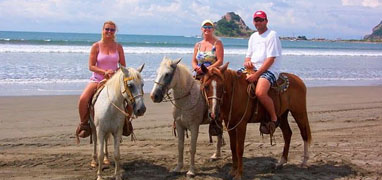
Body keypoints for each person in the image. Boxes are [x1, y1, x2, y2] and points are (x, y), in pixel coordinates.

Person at [76, 21, 127, 139]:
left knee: (129, 99)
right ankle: (84, 125)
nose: (109, 32)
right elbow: (91, 66)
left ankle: (126, 124)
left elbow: (123, 66)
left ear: (115, 32)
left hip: (114, 81)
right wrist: (104, 72)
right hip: (97, 79)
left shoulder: (118, 46)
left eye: (112, 30)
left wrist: (115, 73)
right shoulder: (96, 46)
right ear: (103, 30)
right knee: (83, 98)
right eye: (107, 29)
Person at [244, 10, 282, 134]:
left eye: (261, 20)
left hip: (269, 69)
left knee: (260, 92)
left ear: (266, 21)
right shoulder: (253, 36)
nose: (258, 22)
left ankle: (274, 118)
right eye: (256, 20)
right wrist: (248, 63)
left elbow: (271, 59)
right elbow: (248, 57)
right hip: (253, 68)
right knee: (233, 81)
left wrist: (256, 75)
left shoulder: (272, 35)